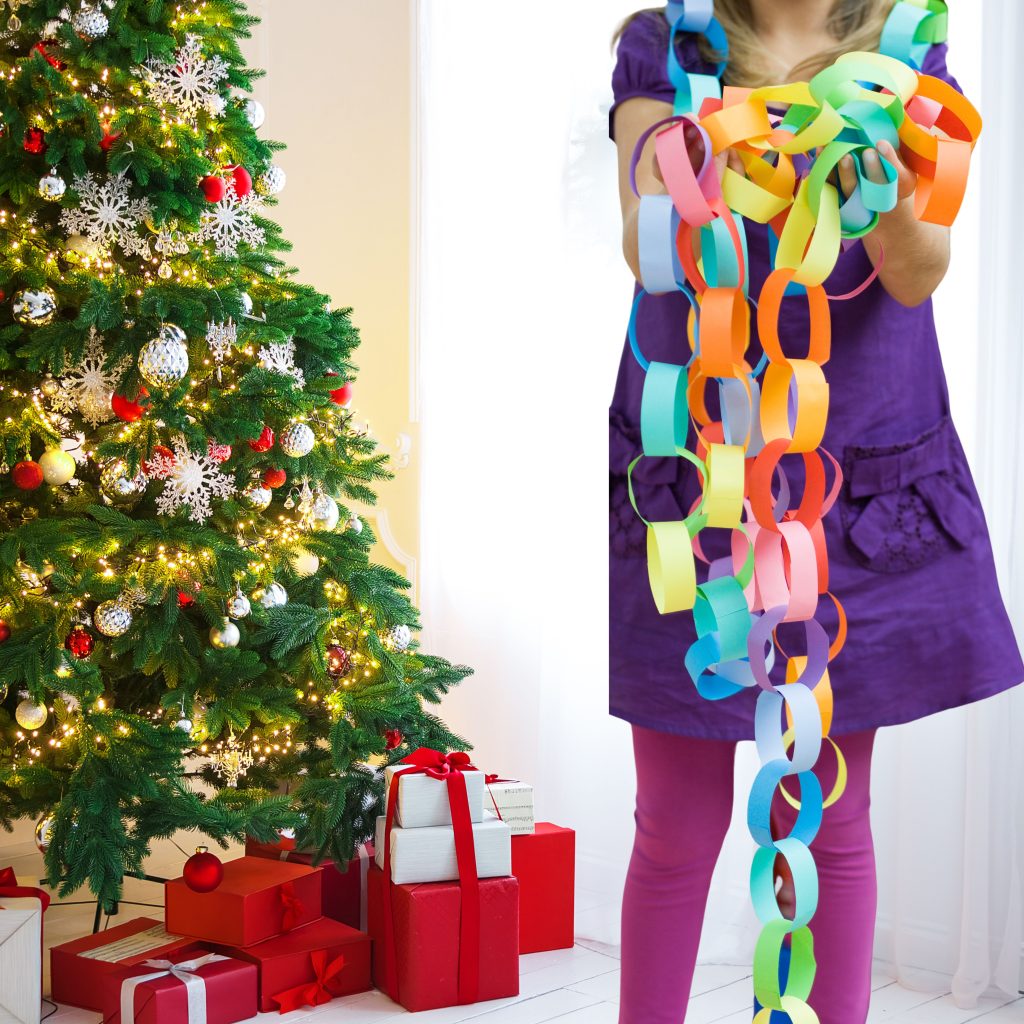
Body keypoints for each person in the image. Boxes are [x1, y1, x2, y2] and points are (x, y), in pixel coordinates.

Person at [607, 2, 1024, 1022]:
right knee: (675, 819)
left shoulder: (901, 55)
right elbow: (640, 243)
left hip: (849, 467)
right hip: (695, 469)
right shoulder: (668, 43)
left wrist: (862, 174)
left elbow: (920, 268)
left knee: (830, 814)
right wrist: (711, 151)